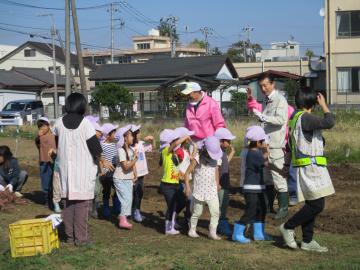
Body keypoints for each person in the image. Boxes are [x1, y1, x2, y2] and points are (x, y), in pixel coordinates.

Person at [53, 92, 113, 246]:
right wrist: (102, 161)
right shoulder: (85, 124)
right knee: (82, 207)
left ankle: (70, 237)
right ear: (82, 105)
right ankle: (81, 239)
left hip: (66, 171)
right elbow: (95, 148)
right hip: (83, 172)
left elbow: (58, 143)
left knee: (68, 206)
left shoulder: (58, 123)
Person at [279, 90, 335, 253]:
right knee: (317, 205)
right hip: (311, 168)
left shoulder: (294, 119)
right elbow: (329, 122)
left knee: (312, 202)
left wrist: (286, 165)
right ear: (313, 102)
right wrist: (325, 106)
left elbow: (290, 146)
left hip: (304, 167)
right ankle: (288, 227)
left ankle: (307, 240)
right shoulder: (306, 118)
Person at [246, 73, 289, 219]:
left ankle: (283, 208)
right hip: (266, 144)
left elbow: (282, 119)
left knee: (279, 176)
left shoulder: (280, 100)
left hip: (276, 145)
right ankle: (269, 206)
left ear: (273, 84)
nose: (263, 88)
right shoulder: (266, 100)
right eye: (261, 86)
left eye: (266, 85)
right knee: (267, 177)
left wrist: (263, 117)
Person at [232, 126, 272, 244]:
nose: (264, 143)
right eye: (263, 141)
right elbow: (265, 163)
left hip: (258, 187)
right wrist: (267, 151)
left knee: (262, 209)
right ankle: (237, 233)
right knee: (251, 211)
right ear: (257, 142)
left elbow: (262, 160)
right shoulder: (253, 153)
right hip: (251, 188)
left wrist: (265, 152)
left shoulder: (255, 152)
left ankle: (258, 233)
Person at [184, 136, 222, 240]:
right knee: (197, 212)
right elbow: (187, 173)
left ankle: (212, 232)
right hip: (199, 190)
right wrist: (187, 187)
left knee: (215, 212)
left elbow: (216, 171)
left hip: (212, 190)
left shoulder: (215, 160)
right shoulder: (197, 159)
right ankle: (192, 230)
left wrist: (217, 183)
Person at [159, 129, 188, 235]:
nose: (177, 142)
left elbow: (175, 168)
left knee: (182, 202)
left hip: (175, 183)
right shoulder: (166, 151)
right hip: (167, 185)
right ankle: (168, 228)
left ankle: (171, 223)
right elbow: (175, 143)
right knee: (172, 205)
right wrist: (184, 137)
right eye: (175, 140)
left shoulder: (173, 154)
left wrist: (180, 175)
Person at [113, 125, 138, 230]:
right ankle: (122, 220)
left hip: (128, 179)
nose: (133, 138)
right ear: (125, 138)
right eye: (131, 136)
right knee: (126, 199)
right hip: (119, 178)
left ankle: (123, 217)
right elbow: (126, 166)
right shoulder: (121, 151)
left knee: (129, 198)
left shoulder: (131, 150)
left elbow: (132, 165)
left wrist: (135, 174)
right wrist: (135, 159)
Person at [131, 124, 155, 223]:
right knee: (135, 193)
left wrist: (152, 139)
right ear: (134, 135)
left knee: (139, 193)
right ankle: (134, 212)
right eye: (138, 132)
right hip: (134, 175)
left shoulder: (141, 143)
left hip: (141, 174)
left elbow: (152, 147)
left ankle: (137, 211)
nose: (140, 134)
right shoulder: (130, 147)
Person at [214, 128, 236, 237]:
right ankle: (221, 225)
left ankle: (219, 224)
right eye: (228, 141)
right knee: (222, 205)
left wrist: (232, 152)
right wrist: (217, 183)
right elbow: (216, 169)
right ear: (221, 141)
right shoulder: (217, 153)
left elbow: (225, 162)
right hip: (221, 184)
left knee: (223, 204)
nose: (230, 143)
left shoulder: (221, 153)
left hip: (224, 183)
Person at [173, 127, 197, 226]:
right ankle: (173, 217)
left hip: (185, 180)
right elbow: (174, 165)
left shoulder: (185, 150)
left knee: (188, 201)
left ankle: (185, 218)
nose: (190, 138)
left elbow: (191, 158)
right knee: (187, 200)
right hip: (181, 181)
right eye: (188, 137)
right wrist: (179, 174)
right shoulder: (179, 151)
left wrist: (194, 146)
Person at [35, 117, 56, 208]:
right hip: (43, 161)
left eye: (43, 126)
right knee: (45, 181)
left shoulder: (55, 136)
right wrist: (38, 137)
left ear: (48, 125)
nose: (42, 129)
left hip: (54, 162)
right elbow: (38, 146)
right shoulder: (39, 137)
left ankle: (54, 199)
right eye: (40, 127)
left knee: (54, 181)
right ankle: (47, 200)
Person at [100, 123, 120, 219]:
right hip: (106, 173)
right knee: (106, 190)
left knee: (118, 188)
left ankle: (116, 205)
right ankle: (106, 207)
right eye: (113, 133)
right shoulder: (102, 146)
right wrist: (103, 172)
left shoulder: (114, 143)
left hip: (115, 170)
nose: (115, 135)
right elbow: (102, 160)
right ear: (108, 135)